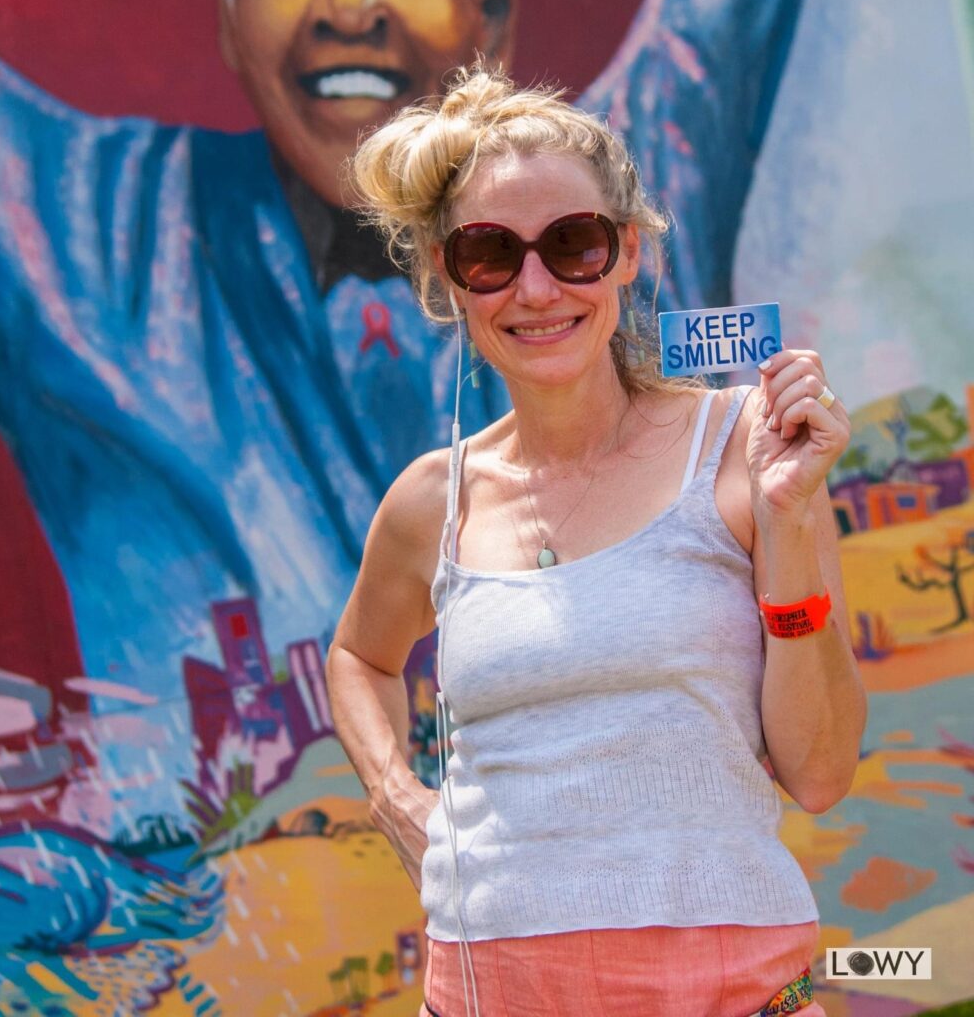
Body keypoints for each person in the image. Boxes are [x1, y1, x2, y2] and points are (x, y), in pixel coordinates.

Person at [0, 0, 846, 829]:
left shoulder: (614, 193)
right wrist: (393, 793)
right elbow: (359, 656)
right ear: (230, 15)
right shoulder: (77, 238)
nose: (350, 1)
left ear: (492, 17)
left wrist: (792, 557)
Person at [326, 64, 867, 1017]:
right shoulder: (431, 501)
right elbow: (359, 655)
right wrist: (395, 796)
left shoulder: (745, 452)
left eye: (572, 243)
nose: (535, 288)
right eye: (490, 253)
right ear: (449, 280)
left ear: (626, 252)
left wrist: (785, 521)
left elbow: (820, 774)